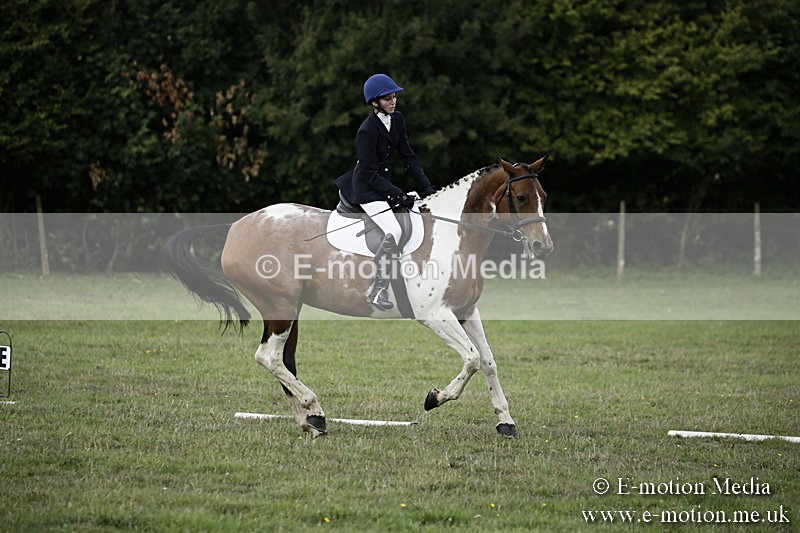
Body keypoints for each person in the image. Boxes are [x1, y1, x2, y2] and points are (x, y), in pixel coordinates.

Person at [336, 73, 435, 311]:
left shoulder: (397, 119)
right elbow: (369, 174)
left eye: (394, 97)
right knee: (394, 229)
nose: (393, 101)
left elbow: (408, 156)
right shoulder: (366, 131)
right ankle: (377, 289)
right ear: (374, 102)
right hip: (367, 189)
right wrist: (398, 194)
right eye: (387, 98)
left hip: (383, 185)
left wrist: (427, 188)